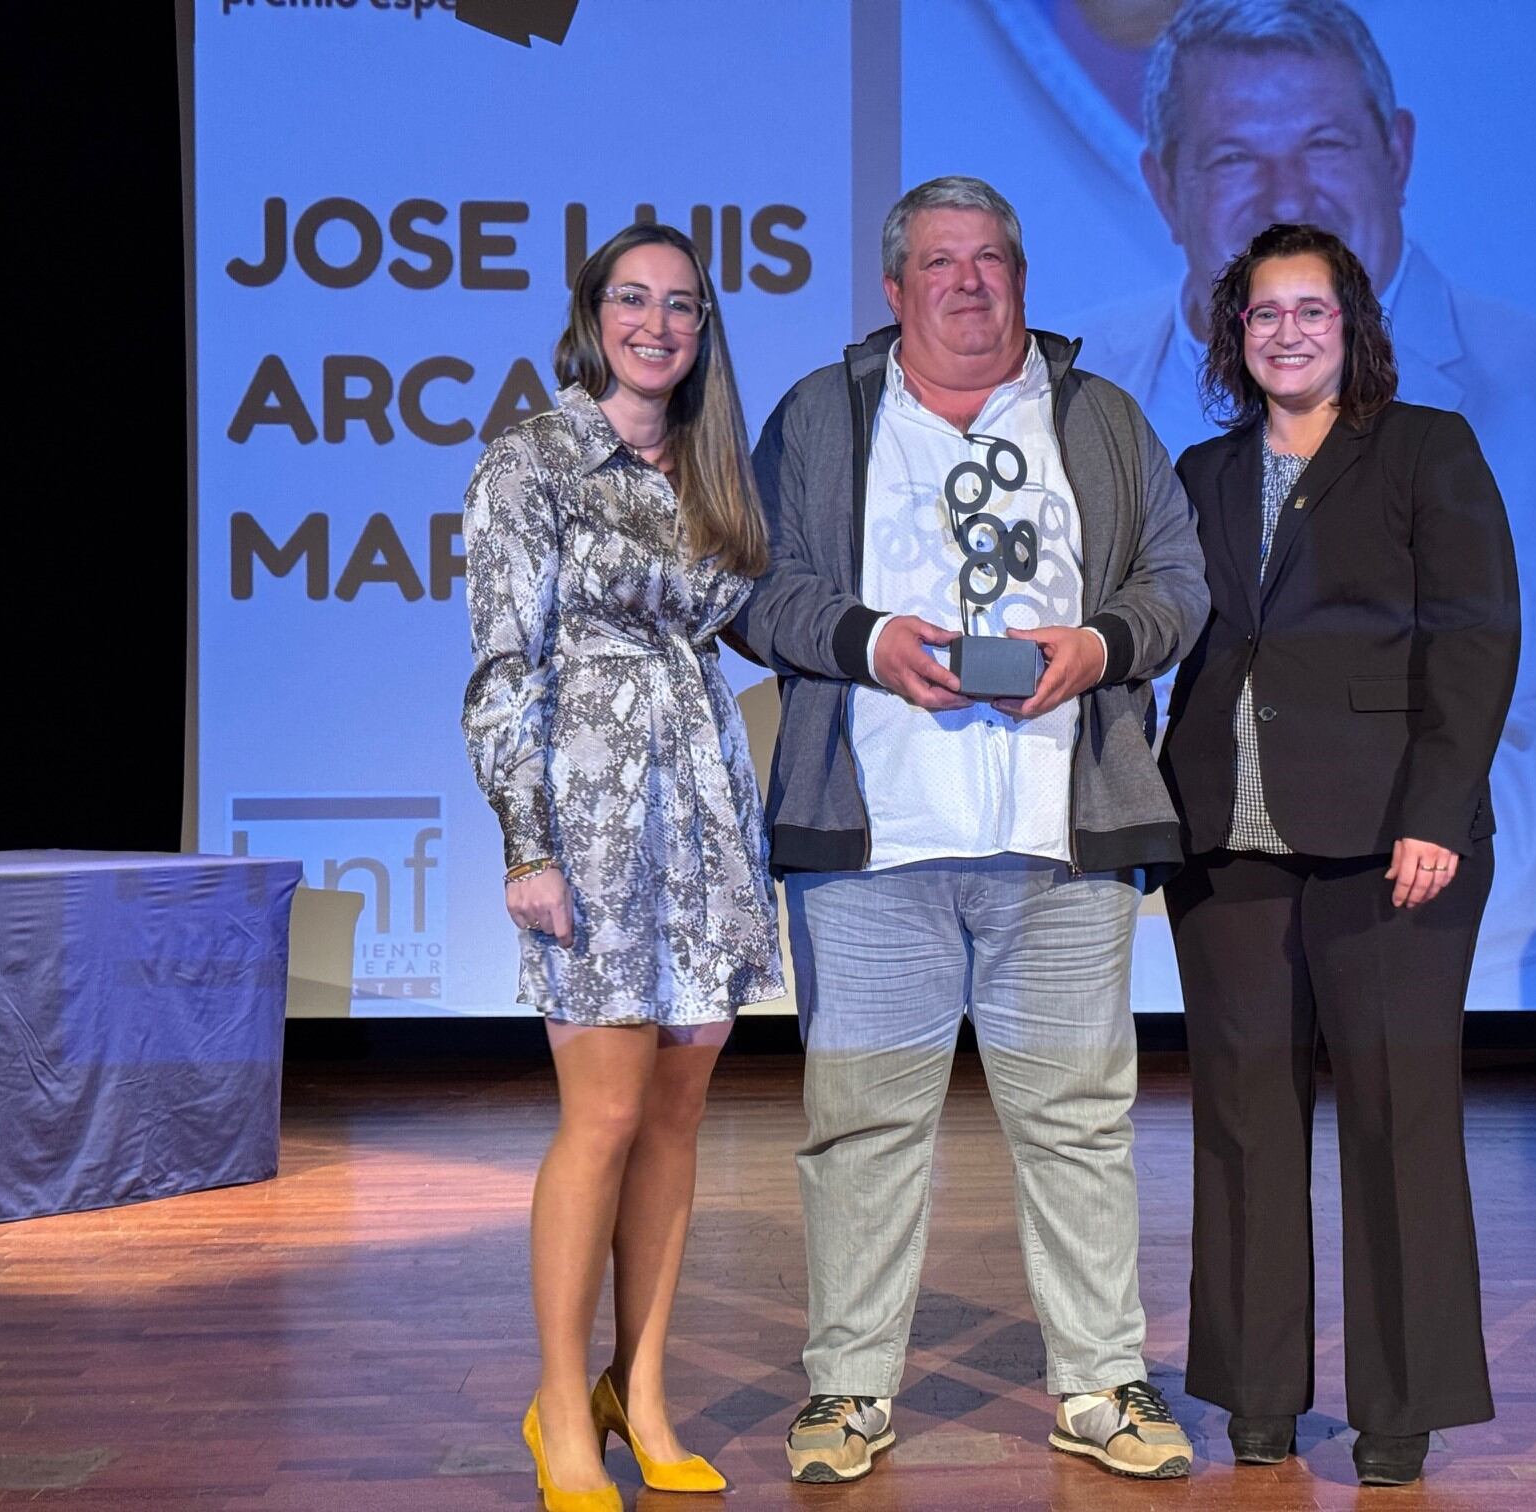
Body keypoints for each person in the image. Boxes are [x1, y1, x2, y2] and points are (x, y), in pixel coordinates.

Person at [1079, 0, 1536, 1005]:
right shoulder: (1065, 397)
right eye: (1230, 159)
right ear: (1162, 186)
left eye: (1325, 145)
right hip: (1124, 972)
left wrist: (1369, 846)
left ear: (1397, 153)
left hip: (1446, 952)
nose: (1283, 193)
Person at [731, 175, 1209, 1485]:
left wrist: (1097, 645)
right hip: (873, 846)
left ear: (1022, 278)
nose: (968, 282)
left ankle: (1102, 1385)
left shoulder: (1100, 419)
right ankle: (848, 1391)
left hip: (1064, 845)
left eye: (991, 258)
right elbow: (750, 590)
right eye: (940, 261)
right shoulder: (823, 419)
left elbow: (1178, 586)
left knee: (1077, 1124)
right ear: (894, 289)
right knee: (864, 1126)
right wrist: (866, 642)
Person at [1160, 222, 1520, 1484]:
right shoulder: (1201, 470)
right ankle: (1255, 1399)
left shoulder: (1426, 448)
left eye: (1312, 310)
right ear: (1235, 334)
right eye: (1265, 314)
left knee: (1395, 1124)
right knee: (1245, 1126)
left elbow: (1474, 638)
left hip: (1389, 842)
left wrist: (1435, 809)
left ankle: (1399, 1411)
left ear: (1354, 323)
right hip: (1228, 841)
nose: (1289, 333)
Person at [460, 222, 783, 1509]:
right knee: (599, 1118)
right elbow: (501, 670)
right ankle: (558, 1410)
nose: (658, 325)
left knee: (677, 1118)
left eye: (683, 307)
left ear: (705, 331)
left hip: (701, 810)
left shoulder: (717, 471)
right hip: (588, 825)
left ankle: (640, 1392)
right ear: (592, 315)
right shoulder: (528, 459)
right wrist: (526, 844)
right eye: (633, 300)